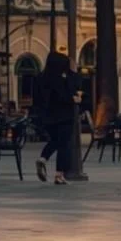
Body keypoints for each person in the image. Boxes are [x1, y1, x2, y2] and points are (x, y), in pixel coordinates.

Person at [33, 51, 80, 185]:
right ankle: (59, 175)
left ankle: (43, 158)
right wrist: (73, 73)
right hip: (64, 116)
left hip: (46, 118)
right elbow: (70, 91)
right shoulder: (61, 78)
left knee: (55, 141)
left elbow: (37, 99)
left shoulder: (40, 78)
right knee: (64, 145)